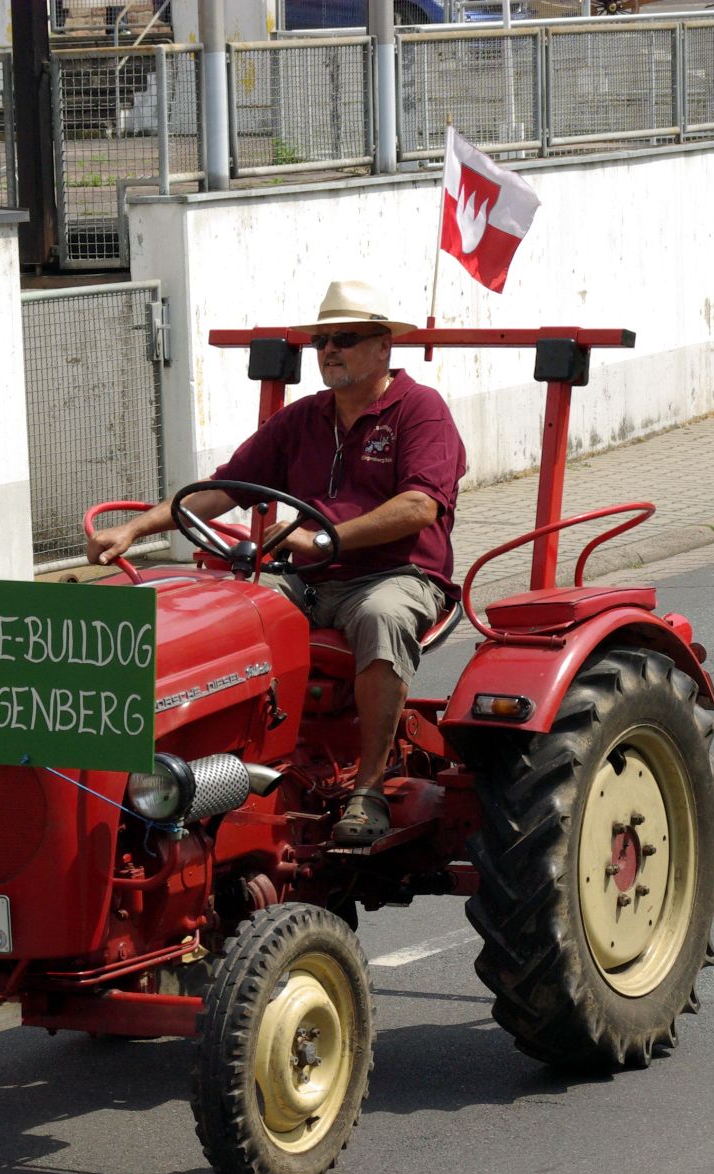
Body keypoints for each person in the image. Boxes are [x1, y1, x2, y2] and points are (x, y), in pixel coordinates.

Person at [87, 280, 466, 845]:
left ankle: (367, 790)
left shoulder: (419, 410)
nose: (330, 350)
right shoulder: (303, 420)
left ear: (383, 347)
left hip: (396, 576)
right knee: (222, 607)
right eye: (321, 341)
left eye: (345, 338)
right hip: (308, 580)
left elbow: (419, 505)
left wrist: (326, 537)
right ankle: (192, 772)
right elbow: (222, 490)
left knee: (381, 618)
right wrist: (136, 528)